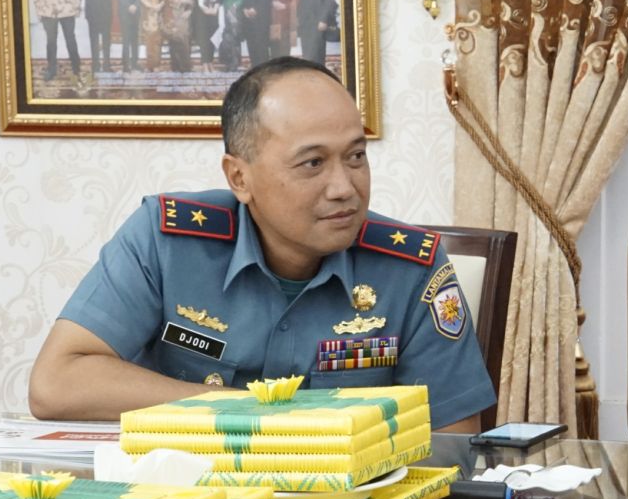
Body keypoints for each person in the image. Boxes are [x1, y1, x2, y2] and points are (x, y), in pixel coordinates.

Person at [28, 56, 496, 428]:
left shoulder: (410, 268)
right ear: (239, 178)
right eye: (312, 164)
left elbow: (452, 445)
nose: (344, 187)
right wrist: (251, 413)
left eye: (356, 156)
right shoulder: (167, 240)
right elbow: (56, 384)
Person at [160, 0, 193, 73]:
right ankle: (177, 67)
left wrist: (189, 10)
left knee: (185, 41)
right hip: (173, 15)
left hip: (186, 15)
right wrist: (181, 1)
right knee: (175, 41)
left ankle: (185, 67)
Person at [191, 0, 221, 71]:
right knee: (203, 39)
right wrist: (205, 10)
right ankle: (204, 63)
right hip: (201, 15)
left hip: (213, 14)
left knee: (212, 39)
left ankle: (211, 62)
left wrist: (215, 8)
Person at [138, 0, 165, 72]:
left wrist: (161, 5)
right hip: (148, 12)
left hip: (160, 11)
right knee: (149, 39)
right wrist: (151, 6)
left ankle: (157, 64)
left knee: (158, 39)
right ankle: (150, 65)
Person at [218, 0, 244, 71]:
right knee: (226, 37)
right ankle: (228, 62)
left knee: (234, 37)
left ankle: (235, 63)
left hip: (234, 13)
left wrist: (234, 7)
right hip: (224, 13)